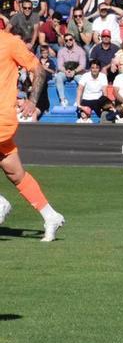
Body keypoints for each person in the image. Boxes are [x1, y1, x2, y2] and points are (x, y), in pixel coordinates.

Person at [0, 28, 65, 241]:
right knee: (14, 172)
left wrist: (32, 100)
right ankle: (50, 215)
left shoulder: (10, 43)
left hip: (2, 116)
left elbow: (39, 69)